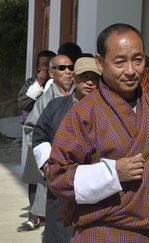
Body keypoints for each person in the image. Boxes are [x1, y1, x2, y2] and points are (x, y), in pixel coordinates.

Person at [46, 23, 149, 242]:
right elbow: (57, 176)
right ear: (100, 63)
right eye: (120, 62)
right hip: (104, 232)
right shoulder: (84, 113)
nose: (131, 71)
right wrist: (112, 173)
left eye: (138, 60)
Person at [32, 57, 101, 242]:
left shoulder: (107, 111)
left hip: (95, 191)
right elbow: (39, 134)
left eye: (94, 77)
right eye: (84, 76)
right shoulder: (56, 106)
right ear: (75, 78)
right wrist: (48, 164)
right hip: (60, 192)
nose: (89, 82)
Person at [18, 54, 75, 232]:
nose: (68, 72)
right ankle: (36, 218)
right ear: (51, 73)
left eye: (70, 67)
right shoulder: (45, 100)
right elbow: (31, 128)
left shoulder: (80, 94)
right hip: (53, 163)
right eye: (62, 68)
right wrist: (45, 157)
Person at [16, 49, 56, 232]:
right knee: (34, 176)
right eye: (43, 64)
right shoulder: (32, 83)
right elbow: (23, 103)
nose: (47, 68)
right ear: (37, 67)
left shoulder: (59, 82)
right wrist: (39, 83)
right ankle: (34, 216)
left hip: (55, 135)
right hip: (37, 136)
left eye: (50, 64)